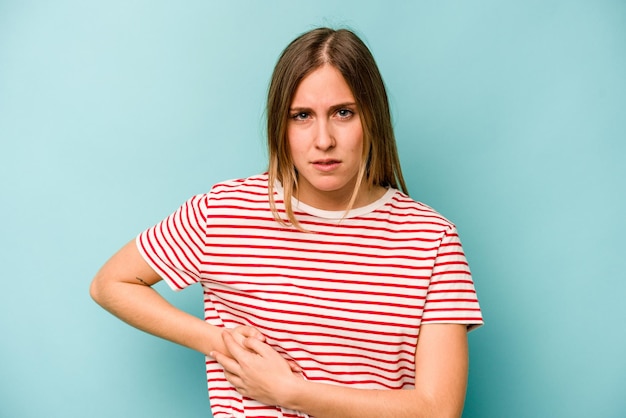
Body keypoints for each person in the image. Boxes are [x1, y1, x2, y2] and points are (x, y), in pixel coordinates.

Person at [90, 27, 483, 418]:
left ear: (373, 118)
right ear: (281, 124)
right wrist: (217, 340)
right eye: (302, 116)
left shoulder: (431, 239)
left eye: (343, 113)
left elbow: (438, 409)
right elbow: (111, 283)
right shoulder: (226, 211)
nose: (323, 139)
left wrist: (291, 392)